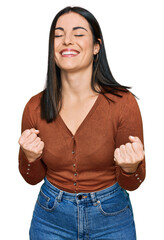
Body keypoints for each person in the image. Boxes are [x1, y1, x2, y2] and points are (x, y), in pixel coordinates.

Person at [18, 6, 146, 240]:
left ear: (97, 46)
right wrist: (29, 157)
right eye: (58, 35)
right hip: (50, 219)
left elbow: (133, 182)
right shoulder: (35, 106)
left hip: (112, 218)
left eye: (78, 34)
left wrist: (130, 168)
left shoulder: (123, 104)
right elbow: (31, 177)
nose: (67, 41)